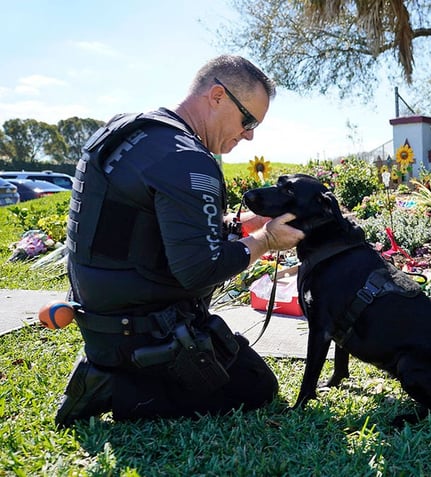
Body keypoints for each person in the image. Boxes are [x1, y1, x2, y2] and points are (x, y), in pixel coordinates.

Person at [56, 55, 304, 427]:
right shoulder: (188, 159)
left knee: (232, 357)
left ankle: (111, 368)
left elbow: (146, 231)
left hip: (104, 317)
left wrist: (239, 226)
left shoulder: (132, 132)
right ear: (218, 96)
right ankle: (114, 387)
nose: (250, 134)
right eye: (248, 120)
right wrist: (265, 240)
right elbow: (201, 270)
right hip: (145, 328)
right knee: (256, 387)